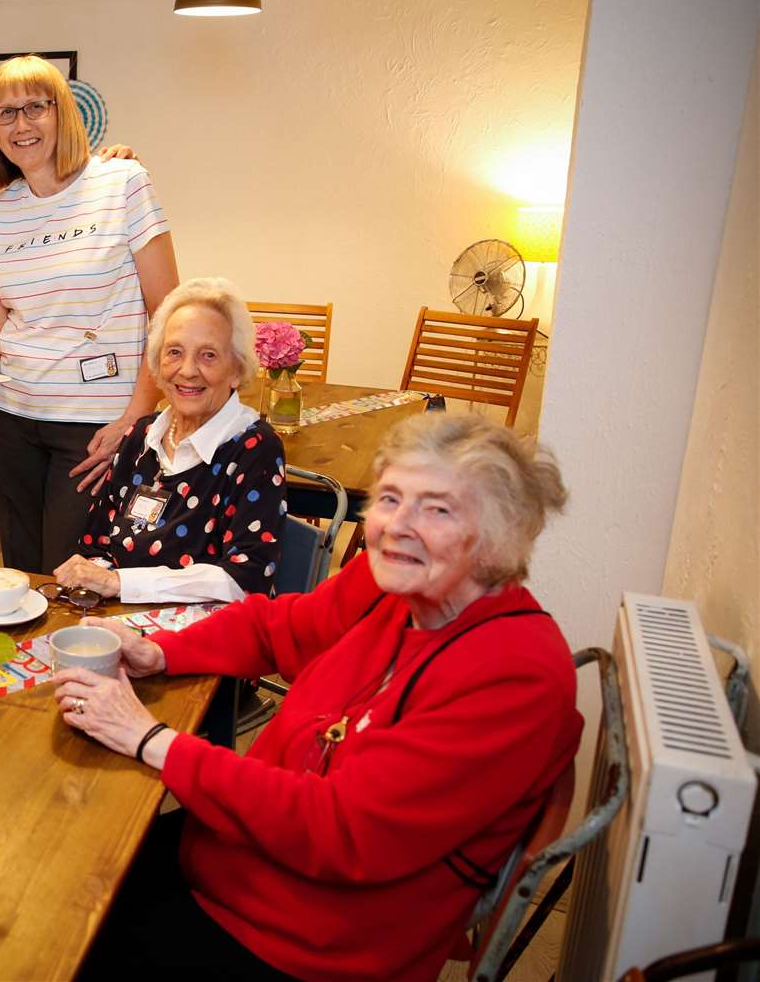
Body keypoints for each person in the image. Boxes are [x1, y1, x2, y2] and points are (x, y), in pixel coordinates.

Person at [52, 413, 580, 981]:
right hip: (239, 852)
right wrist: (162, 651)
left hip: (308, 939)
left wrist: (152, 739)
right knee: (71, 869)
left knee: (63, 943)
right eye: (390, 498)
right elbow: (280, 627)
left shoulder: (515, 674)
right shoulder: (395, 584)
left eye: (438, 509)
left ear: (501, 539)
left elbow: (342, 831)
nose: (397, 527)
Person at [0, 54, 180, 574]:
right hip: (11, 416)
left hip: (94, 425)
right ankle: (24, 660)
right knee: (20, 573)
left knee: (72, 576)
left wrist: (135, 418)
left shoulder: (123, 183)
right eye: (5, 113)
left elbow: (169, 313)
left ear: (61, 112)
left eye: (34, 108)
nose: (20, 124)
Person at [52, 277, 286, 603]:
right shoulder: (140, 438)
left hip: (206, 637)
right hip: (122, 622)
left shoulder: (253, 448)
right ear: (158, 365)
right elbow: (95, 545)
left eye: (208, 355)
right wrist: (96, 577)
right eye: (174, 352)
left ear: (236, 369)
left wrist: (120, 583)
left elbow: (246, 578)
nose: (187, 370)